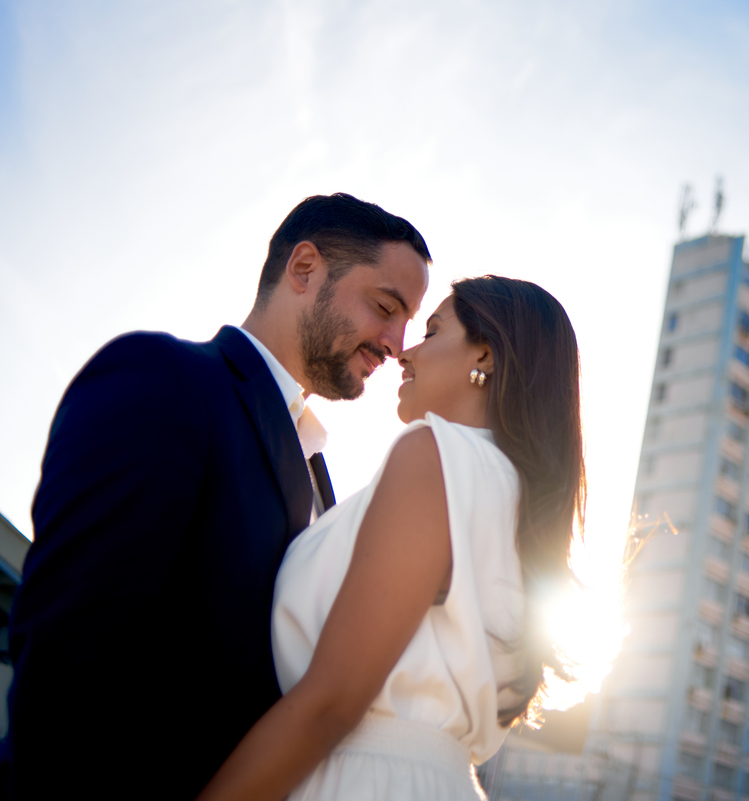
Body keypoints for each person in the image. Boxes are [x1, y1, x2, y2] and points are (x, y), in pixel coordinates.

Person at [6, 193, 431, 799]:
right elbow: (66, 656)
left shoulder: (320, 476)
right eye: (386, 307)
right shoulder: (163, 380)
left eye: (410, 322)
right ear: (305, 269)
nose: (396, 342)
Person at [197, 275, 585, 800]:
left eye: (431, 331)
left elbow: (331, 701)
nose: (404, 352)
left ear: (486, 356)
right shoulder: (512, 496)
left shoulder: (433, 454)